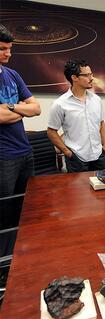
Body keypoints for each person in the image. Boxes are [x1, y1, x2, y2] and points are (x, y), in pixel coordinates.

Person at [0, 24, 41, 241]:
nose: (8, 53)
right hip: (3, 157)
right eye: (2, 49)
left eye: (9, 48)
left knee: (26, 206)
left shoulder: (12, 74)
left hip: (24, 151)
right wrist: (20, 109)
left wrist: (11, 107)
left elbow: (36, 108)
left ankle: (22, 250)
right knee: (4, 211)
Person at [47, 59, 105, 173]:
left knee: (103, 188)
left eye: (91, 74)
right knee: (80, 191)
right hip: (77, 158)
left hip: (98, 155)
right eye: (86, 75)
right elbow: (51, 131)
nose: (91, 78)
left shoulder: (96, 100)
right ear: (74, 78)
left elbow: (101, 123)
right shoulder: (60, 104)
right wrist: (67, 152)